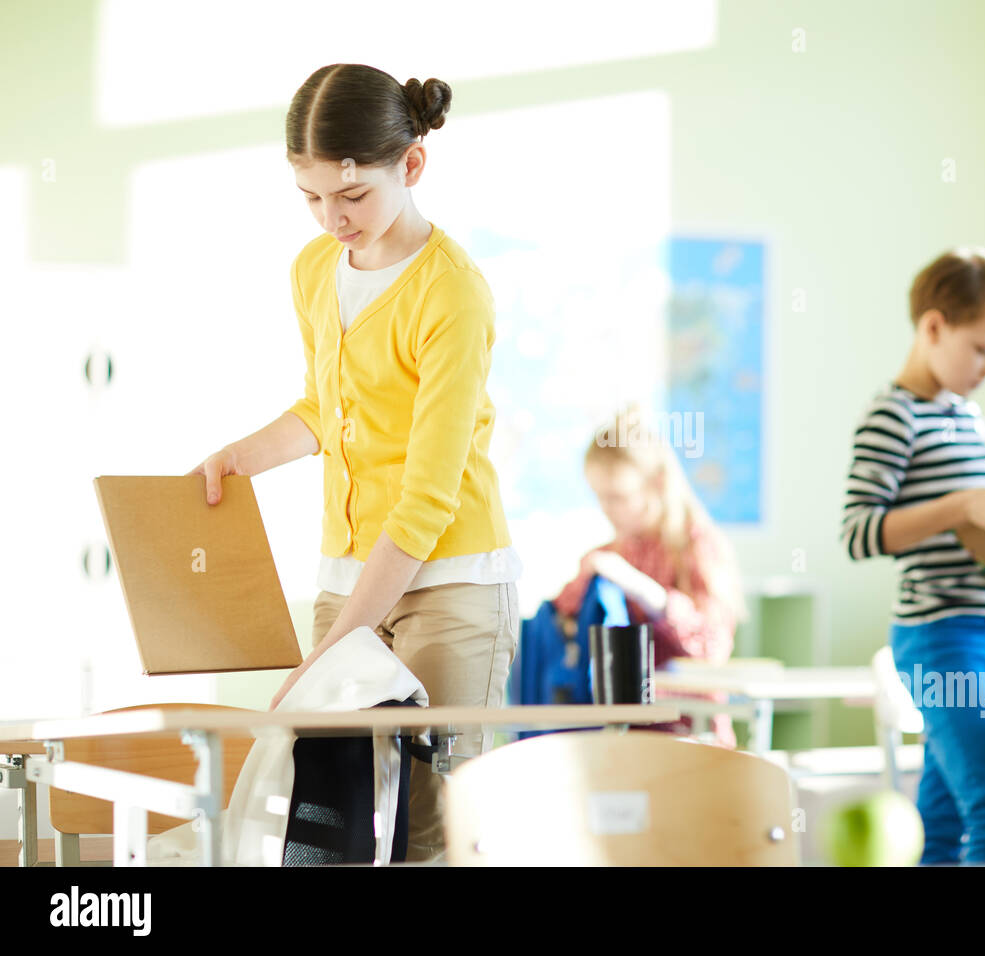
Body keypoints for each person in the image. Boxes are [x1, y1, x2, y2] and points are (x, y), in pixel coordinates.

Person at [189, 63, 521, 862]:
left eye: (353, 196)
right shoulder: (312, 273)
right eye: (311, 198)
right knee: (329, 807)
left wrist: (340, 641)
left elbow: (428, 498)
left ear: (411, 166)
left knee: (433, 824)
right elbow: (324, 410)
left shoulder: (453, 295)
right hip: (350, 576)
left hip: (451, 581)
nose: (332, 219)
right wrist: (243, 457)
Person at [841, 247, 985, 864]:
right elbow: (859, 531)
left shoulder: (965, 416)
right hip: (942, 637)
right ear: (933, 327)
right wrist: (960, 506)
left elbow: (966, 525)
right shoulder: (892, 415)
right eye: (982, 349)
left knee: (943, 812)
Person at [552, 403, 747, 749]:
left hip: (693, 738)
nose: (607, 509)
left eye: (618, 497)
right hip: (628, 743)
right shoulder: (611, 554)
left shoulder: (699, 546)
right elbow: (560, 620)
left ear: (657, 483)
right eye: (599, 497)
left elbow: (712, 643)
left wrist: (647, 593)